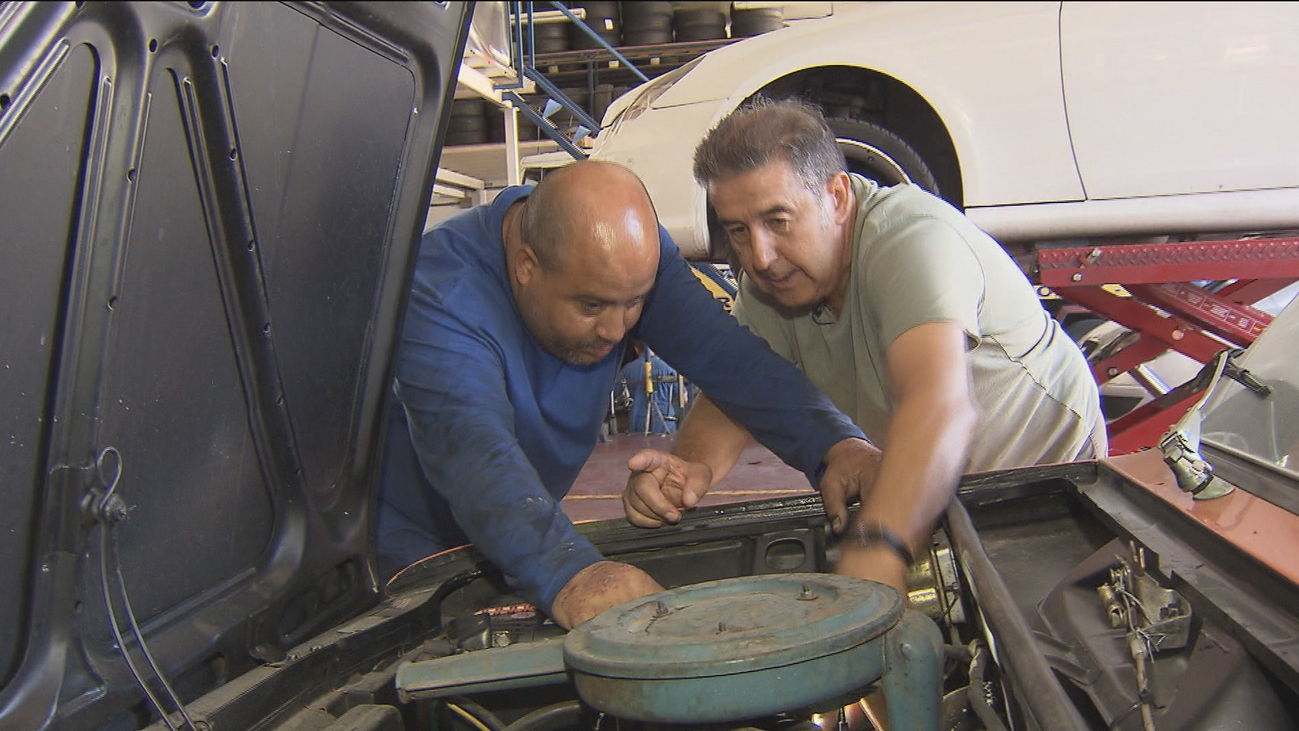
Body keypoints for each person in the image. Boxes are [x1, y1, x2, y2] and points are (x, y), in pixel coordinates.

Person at [622, 98, 1105, 595]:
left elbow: (938, 406)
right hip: (941, 488)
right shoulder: (775, 283)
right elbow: (738, 394)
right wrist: (690, 468)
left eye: (779, 221)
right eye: (739, 232)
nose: (760, 257)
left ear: (836, 197)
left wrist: (877, 546)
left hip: (1049, 469)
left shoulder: (910, 239)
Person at [374, 160, 882, 629]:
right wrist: (569, 570)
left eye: (634, 303)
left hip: (526, 528)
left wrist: (835, 445)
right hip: (415, 556)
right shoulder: (442, 294)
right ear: (526, 266)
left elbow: (728, 357)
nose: (617, 330)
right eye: (592, 305)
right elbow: (471, 448)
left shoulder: (620, 256)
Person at [616, 341, 681, 434]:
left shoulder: (627, 369)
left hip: (638, 423)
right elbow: (683, 397)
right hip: (664, 423)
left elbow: (616, 395)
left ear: (636, 348)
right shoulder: (667, 367)